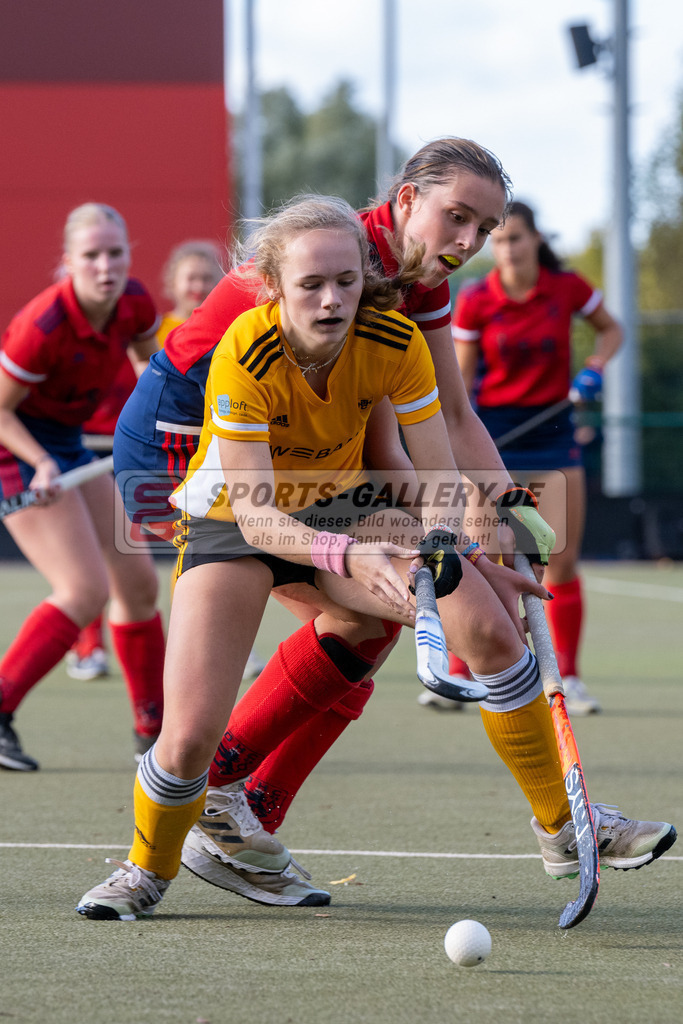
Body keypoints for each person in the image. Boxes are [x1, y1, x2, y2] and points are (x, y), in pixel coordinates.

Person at [76, 195, 676, 922]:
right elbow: (261, 513)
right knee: (190, 735)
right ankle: (147, 869)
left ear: (367, 278)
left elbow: (431, 479)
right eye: (310, 285)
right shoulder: (244, 351)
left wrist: (464, 549)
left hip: (344, 505)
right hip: (236, 520)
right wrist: (350, 557)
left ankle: (565, 829)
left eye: (346, 282)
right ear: (272, 286)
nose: (331, 300)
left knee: (485, 626)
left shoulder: (394, 342)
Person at [0, 203, 166, 771]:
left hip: (68, 442)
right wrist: (40, 462)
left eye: (115, 253)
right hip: (15, 447)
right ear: (68, 262)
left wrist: (175, 428)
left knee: (139, 584)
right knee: (83, 590)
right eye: (90, 256)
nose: (105, 266)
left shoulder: (135, 303)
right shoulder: (42, 325)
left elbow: (154, 373)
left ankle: (157, 734)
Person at [448, 200, 623, 717]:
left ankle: (567, 675)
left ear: (535, 240)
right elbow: (460, 384)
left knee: (561, 557)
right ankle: (466, 673)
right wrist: (462, 444)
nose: (506, 248)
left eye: (515, 238)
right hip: (492, 433)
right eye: (498, 240)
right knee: (477, 552)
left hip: (553, 431)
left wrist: (594, 368)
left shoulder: (566, 289)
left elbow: (612, 331)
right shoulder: (477, 299)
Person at [64, 238, 229, 683]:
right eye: (190, 278)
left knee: (187, 550)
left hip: (185, 456)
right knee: (100, 556)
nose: (198, 287)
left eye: (208, 278)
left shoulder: (229, 329)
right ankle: (88, 645)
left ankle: (210, 640)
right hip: (106, 444)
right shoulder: (163, 332)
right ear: (173, 283)